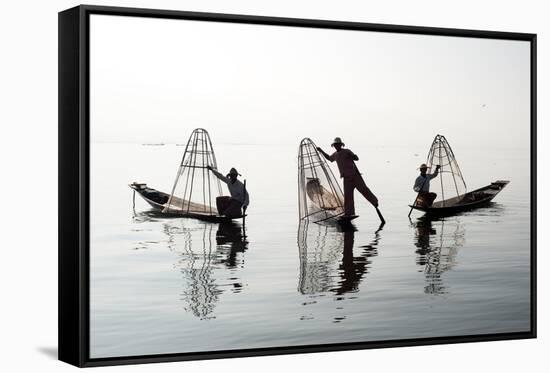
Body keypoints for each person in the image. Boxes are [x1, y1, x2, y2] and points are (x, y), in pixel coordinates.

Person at [317, 137, 379, 217]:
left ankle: (374, 202)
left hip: (355, 176)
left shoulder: (347, 151)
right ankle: (349, 213)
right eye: (335, 145)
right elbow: (329, 158)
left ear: (341, 145)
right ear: (334, 146)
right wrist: (321, 150)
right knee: (348, 196)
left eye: (338, 144)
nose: (337, 146)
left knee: (363, 189)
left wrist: (354, 156)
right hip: (346, 178)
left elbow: (356, 158)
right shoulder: (335, 155)